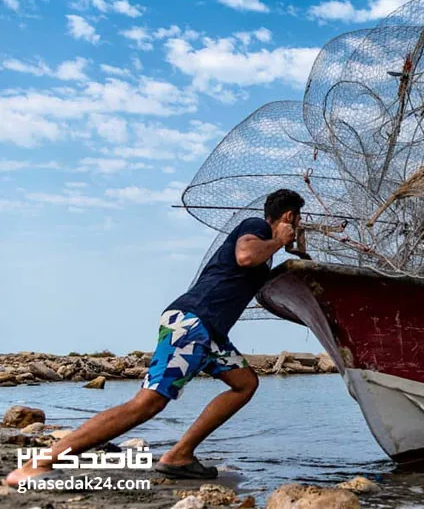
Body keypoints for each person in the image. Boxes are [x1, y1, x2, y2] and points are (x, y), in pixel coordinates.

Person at [6, 189, 306, 485]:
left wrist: (295, 251)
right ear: (288, 216)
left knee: (245, 384)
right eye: (297, 222)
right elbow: (244, 256)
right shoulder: (255, 227)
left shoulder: (265, 251)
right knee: (146, 404)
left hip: (211, 332)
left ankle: (180, 455)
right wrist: (279, 239)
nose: (296, 229)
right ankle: (39, 463)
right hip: (193, 323)